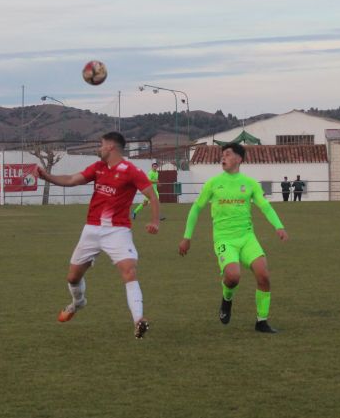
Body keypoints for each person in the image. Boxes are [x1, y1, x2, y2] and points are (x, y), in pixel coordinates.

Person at [37, 131, 160, 339]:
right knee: (73, 277)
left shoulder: (131, 171)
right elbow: (72, 179)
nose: (99, 148)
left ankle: (139, 320)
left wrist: (155, 221)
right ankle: (78, 302)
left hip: (117, 230)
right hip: (92, 229)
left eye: (101, 144)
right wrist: (47, 177)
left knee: (129, 270)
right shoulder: (98, 168)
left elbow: (151, 194)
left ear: (111, 147)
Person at [179, 142, 289, 333]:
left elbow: (265, 206)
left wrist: (279, 226)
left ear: (239, 159)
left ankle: (261, 322)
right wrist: (187, 237)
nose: (223, 157)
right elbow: (196, 208)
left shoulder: (250, 183)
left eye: (228, 154)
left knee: (263, 275)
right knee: (233, 277)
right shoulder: (213, 183)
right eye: (222, 155)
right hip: (224, 239)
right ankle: (227, 299)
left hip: (247, 237)